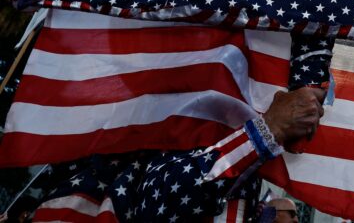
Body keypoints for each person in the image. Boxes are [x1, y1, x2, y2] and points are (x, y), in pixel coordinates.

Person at [32, 87, 326, 222]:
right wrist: (266, 131)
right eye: (292, 214)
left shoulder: (250, 185)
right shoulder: (170, 137)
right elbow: (162, 199)